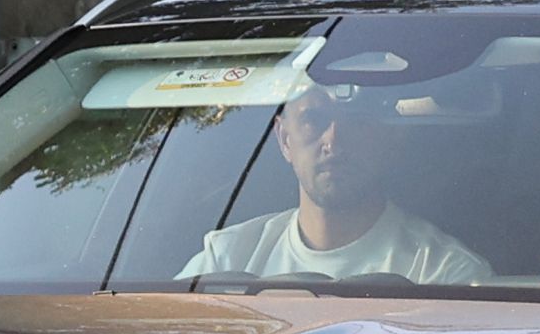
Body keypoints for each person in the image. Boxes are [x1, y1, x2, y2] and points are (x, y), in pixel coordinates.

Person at [180, 82, 491, 285]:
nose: (333, 139)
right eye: (314, 120)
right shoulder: (224, 260)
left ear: (393, 137)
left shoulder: (444, 276)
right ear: (284, 139)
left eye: (357, 120)